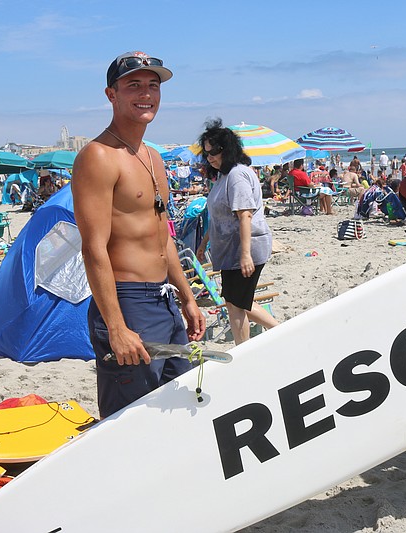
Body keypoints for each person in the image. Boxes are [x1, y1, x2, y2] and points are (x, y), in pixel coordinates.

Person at [72, 50, 206, 419]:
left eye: (153, 85)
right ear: (111, 94)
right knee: (129, 418)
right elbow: (93, 248)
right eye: (134, 85)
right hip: (127, 301)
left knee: (179, 406)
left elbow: (162, 236)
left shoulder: (152, 157)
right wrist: (116, 327)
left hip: (164, 300)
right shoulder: (98, 156)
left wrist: (187, 297)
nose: (146, 93)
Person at [196, 119, 279, 345]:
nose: (211, 156)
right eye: (207, 153)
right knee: (236, 301)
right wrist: (204, 243)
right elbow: (218, 216)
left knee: (236, 304)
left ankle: (243, 351)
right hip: (230, 249)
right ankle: (280, 331)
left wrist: (245, 254)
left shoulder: (237, 175)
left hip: (244, 247)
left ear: (228, 148)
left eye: (215, 151)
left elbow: (245, 215)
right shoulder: (223, 176)